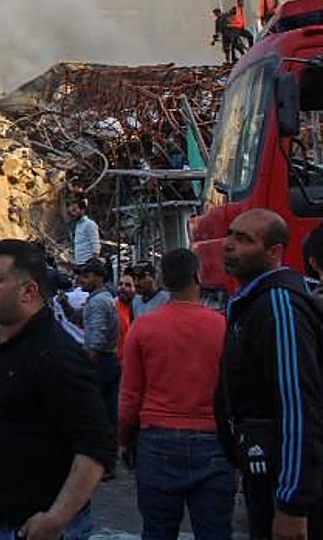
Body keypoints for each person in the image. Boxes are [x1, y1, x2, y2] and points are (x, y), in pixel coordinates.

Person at [0, 239, 114, 540]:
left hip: (28, 529)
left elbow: (95, 449)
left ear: (29, 291)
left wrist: (56, 518)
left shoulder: (57, 356)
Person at [217, 208, 323, 540]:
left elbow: (299, 406)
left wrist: (292, 503)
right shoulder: (252, 302)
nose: (229, 245)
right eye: (231, 234)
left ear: (274, 252)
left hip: (282, 485)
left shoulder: (279, 304)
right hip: (263, 475)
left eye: (244, 239)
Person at [119, 247, 233, 539]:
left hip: (157, 440)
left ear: (163, 280)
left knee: (157, 530)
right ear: (197, 276)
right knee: (215, 532)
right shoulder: (222, 326)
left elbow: (130, 396)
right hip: (213, 440)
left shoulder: (143, 328)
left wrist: (124, 440)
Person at [74, 258, 120, 452]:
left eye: (87, 275)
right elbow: (81, 320)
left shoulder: (99, 302)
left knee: (97, 414)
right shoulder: (100, 299)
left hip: (101, 362)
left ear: (99, 278)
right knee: (107, 412)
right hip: (107, 361)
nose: (81, 280)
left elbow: (97, 340)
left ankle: (103, 456)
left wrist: (88, 368)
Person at [67, 199, 100, 264]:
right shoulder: (77, 225)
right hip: (79, 262)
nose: (72, 213)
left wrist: (93, 263)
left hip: (88, 263)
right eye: (71, 211)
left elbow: (95, 244)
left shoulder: (89, 224)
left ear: (83, 210)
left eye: (75, 210)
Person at [115, 271, 135, 358]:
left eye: (128, 285)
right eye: (120, 284)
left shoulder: (140, 309)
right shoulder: (112, 307)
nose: (123, 287)